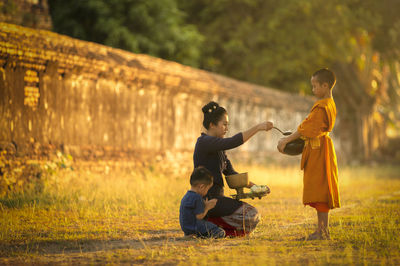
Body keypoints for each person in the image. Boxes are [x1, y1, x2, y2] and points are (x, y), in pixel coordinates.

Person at [277, 68, 341, 240]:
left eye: (314, 86)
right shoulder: (327, 104)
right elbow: (308, 128)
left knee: (320, 190)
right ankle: (322, 230)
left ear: (325, 85)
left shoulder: (322, 107)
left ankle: (323, 231)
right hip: (317, 148)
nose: (312, 90)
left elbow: (307, 129)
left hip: (319, 150)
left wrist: (285, 141)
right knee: (317, 188)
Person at [194, 101, 274, 236]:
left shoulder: (219, 149)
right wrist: (258, 127)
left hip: (217, 199)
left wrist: (255, 188)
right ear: (212, 125)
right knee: (251, 214)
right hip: (207, 200)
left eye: (227, 125)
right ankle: (208, 225)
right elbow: (232, 141)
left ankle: (213, 227)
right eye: (224, 124)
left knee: (252, 217)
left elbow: (232, 174)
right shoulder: (204, 142)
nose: (226, 128)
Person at [179, 167, 226, 238]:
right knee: (220, 232)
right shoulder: (197, 197)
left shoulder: (187, 196)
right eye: (208, 189)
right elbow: (199, 216)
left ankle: (190, 235)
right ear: (201, 186)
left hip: (186, 227)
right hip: (195, 227)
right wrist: (207, 207)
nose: (207, 192)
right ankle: (199, 236)